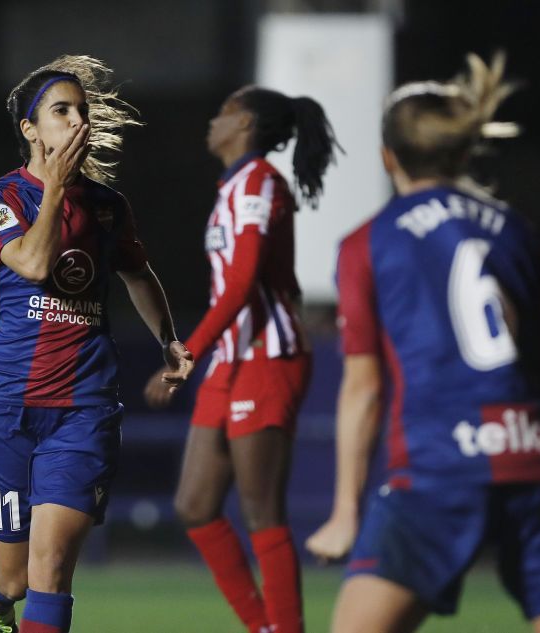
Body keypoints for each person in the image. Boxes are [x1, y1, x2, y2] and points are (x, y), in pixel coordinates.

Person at [305, 53, 540, 633]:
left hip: (438, 465)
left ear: (386, 157)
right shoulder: (521, 233)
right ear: (466, 153)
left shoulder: (369, 243)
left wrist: (345, 512)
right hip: (535, 459)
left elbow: (364, 390)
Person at [0, 54, 194, 633]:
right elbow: (38, 262)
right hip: (6, 406)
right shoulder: (2, 200)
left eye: (82, 112)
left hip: (83, 408)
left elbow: (138, 273)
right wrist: (54, 191)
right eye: (60, 111)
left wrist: (168, 339)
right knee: (15, 578)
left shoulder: (108, 207)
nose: (77, 122)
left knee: (52, 570)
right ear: (30, 130)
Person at [144, 86, 341, 633]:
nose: (211, 121)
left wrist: (187, 351)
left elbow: (243, 281)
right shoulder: (232, 185)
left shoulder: (258, 182)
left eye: (221, 112)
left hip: (267, 356)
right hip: (230, 360)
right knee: (194, 505)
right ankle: (264, 628)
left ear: (244, 123)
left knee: (261, 511)